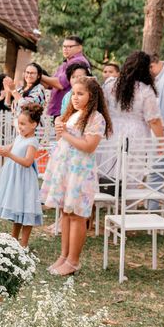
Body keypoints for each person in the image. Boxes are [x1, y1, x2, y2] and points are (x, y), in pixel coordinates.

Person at [42, 76, 112, 276]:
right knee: (65, 212)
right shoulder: (73, 114)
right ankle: (63, 256)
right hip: (66, 169)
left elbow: (89, 146)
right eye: (74, 93)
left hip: (80, 173)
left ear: (92, 96)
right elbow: (62, 139)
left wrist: (65, 134)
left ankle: (73, 261)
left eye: (80, 93)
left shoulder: (95, 118)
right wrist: (59, 129)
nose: (75, 97)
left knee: (77, 215)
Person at [0, 103, 43, 247]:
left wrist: (9, 154)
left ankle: (24, 244)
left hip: (25, 180)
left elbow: (28, 162)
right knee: (17, 208)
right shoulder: (19, 138)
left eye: (23, 124)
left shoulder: (32, 141)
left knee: (27, 210)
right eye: (19, 123)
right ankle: (13, 239)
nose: (20, 127)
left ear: (34, 125)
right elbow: (4, 150)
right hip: (15, 179)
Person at [104, 51, 163, 141]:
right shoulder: (145, 90)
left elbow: (103, 109)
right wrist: (161, 142)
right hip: (136, 135)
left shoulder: (109, 85)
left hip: (112, 131)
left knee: (112, 155)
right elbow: (153, 120)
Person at [40, 35, 90, 119]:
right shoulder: (66, 62)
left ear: (79, 48)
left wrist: (39, 75)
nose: (65, 49)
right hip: (60, 108)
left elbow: (60, 84)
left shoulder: (78, 62)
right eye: (64, 46)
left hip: (70, 109)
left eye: (70, 46)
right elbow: (51, 85)